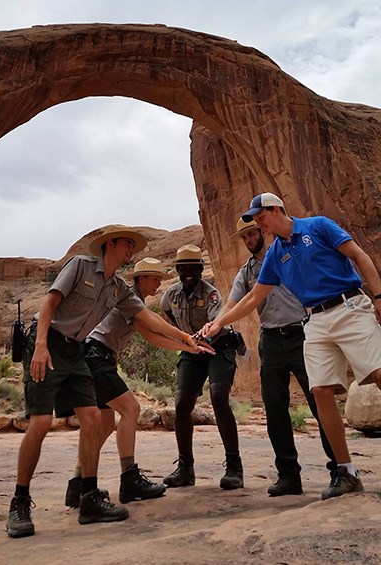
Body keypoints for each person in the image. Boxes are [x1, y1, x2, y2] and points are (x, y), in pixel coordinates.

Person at [7, 225, 201, 538]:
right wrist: (40, 345)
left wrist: (184, 338)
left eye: (132, 247)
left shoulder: (118, 288)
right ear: (109, 245)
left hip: (77, 351)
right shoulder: (80, 265)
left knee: (94, 418)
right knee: (41, 422)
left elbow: (148, 321)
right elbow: (49, 303)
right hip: (48, 344)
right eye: (126, 244)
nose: (131, 250)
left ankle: (87, 498)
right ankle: (19, 501)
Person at [203, 193, 381, 500]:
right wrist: (219, 324)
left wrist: (378, 296)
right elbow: (252, 298)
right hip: (315, 319)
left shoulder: (319, 226)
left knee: (379, 373)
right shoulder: (274, 256)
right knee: (321, 390)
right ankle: (346, 472)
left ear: (276, 210)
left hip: (348, 305)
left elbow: (359, 255)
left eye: (260, 217)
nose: (257, 222)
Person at [63, 257, 213, 507]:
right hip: (96, 356)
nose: (158, 283)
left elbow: (151, 337)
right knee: (131, 409)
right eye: (154, 278)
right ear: (141, 278)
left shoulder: (134, 302)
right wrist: (187, 338)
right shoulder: (129, 299)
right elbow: (155, 328)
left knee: (106, 422)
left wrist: (190, 348)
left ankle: (77, 484)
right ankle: (129, 478)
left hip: (97, 357)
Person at [219, 216, 336, 496]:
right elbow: (233, 302)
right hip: (270, 340)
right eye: (243, 238)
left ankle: (339, 469)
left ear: (262, 230)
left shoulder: (286, 255)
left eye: (251, 234)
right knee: (274, 408)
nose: (248, 241)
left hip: (302, 334)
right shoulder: (246, 272)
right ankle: (288, 476)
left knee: (319, 401)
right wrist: (216, 324)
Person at [160, 244, 243, 490]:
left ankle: (234, 467)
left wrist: (196, 338)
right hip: (192, 348)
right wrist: (187, 338)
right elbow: (168, 315)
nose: (187, 272)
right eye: (182, 268)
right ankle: (185, 468)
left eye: (192, 268)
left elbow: (216, 322)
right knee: (182, 404)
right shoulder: (170, 295)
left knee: (218, 397)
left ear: (199, 269)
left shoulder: (211, 294)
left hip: (218, 346)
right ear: (177, 270)